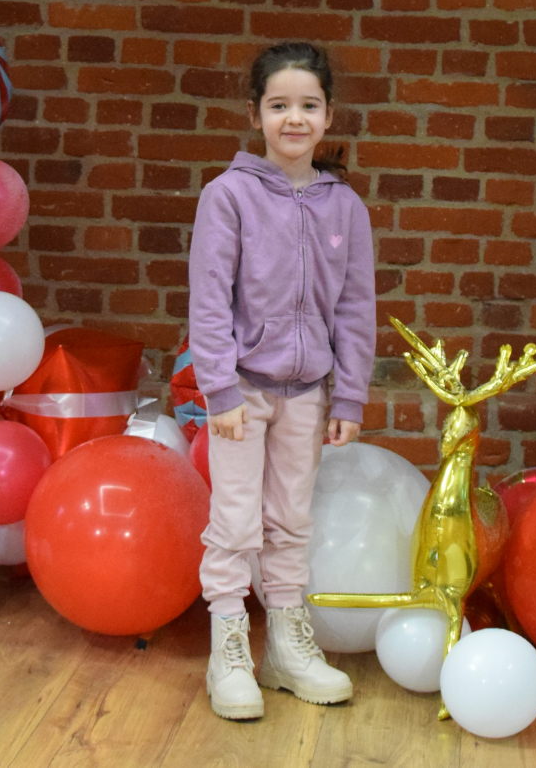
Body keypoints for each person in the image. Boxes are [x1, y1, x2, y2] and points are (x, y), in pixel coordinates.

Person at [188, 41, 377, 721]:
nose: (294, 119)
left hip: (308, 393)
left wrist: (348, 393)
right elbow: (209, 298)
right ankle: (229, 649)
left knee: (291, 520)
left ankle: (286, 651)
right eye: (279, 106)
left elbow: (355, 306)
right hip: (242, 391)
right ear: (255, 114)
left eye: (308, 105)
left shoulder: (345, 208)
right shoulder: (228, 196)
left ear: (328, 115)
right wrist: (219, 389)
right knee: (235, 520)